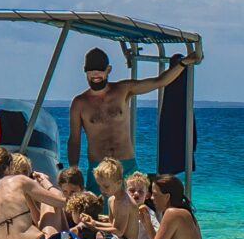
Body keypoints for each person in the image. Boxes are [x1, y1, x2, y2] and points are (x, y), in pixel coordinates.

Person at [67, 44, 200, 174]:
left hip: (127, 165)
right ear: (85, 71)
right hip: (98, 168)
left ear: (108, 70)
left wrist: (183, 63)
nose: (96, 74)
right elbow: (74, 140)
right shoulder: (79, 103)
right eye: (91, 70)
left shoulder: (123, 89)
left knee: (135, 195)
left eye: (100, 70)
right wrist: (73, 169)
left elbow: (160, 81)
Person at [0, 148, 72, 239]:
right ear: (10, 165)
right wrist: (46, 184)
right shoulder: (20, 181)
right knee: (49, 204)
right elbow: (62, 202)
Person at [94, 158, 150, 239]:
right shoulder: (111, 200)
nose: (102, 190)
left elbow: (119, 231)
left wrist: (94, 225)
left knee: (99, 236)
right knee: (86, 231)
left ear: (119, 183)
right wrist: (94, 222)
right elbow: (112, 224)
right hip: (117, 238)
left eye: (106, 186)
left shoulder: (124, 203)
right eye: (100, 186)